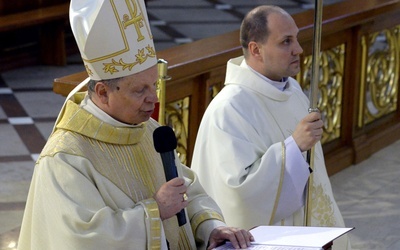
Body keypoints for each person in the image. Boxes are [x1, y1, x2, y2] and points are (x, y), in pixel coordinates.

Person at [17, 0, 253, 249]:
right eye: (140, 90)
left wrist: (211, 228)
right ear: (103, 92)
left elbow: (186, 192)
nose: (154, 99)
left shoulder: (149, 131)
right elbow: (82, 238)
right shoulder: (65, 158)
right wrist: (154, 211)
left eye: (154, 85)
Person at [191, 5, 351, 250]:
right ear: (256, 49)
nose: (298, 49)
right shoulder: (229, 109)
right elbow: (239, 194)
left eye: (296, 38)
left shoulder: (293, 90)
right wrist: (294, 146)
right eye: (286, 42)